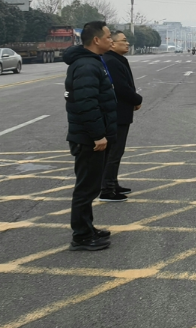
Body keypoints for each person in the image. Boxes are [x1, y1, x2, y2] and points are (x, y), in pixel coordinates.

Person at [63, 21, 117, 251]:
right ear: (96, 40)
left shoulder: (93, 61)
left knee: (90, 187)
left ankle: (88, 228)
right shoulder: (86, 65)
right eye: (108, 36)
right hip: (88, 139)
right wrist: (98, 136)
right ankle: (82, 236)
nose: (111, 40)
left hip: (90, 136)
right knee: (85, 188)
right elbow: (87, 104)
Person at [100, 31, 143, 202]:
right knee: (113, 152)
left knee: (116, 151)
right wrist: (137, 99)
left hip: (121, 112)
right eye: (124, 41)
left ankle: (113, 183)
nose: (127, 44)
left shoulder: (117, 59)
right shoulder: (111, 61)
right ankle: (107, 189)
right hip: (116, 113)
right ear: (112, 44)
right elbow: (121, 87)